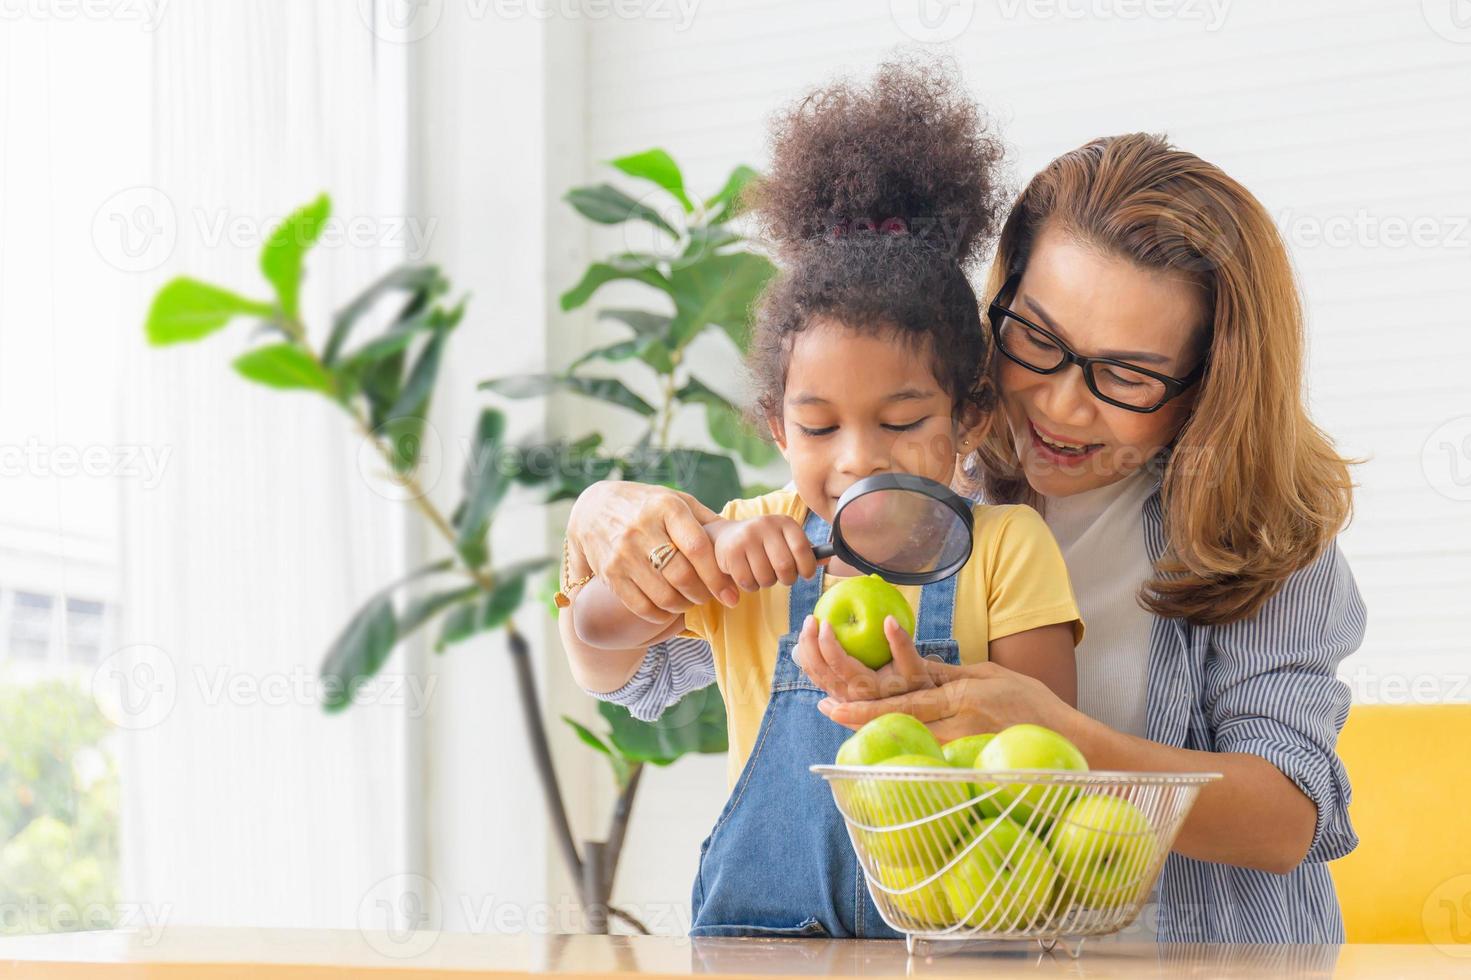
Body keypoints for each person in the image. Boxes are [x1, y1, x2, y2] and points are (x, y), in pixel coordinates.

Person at [564, 123, 1367, 943]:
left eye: (1125, 374)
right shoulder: (900, 495)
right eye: (1037, 340)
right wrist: (598, 516)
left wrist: (1055, 738)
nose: (1060, 404)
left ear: (1209, 379)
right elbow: (638, 674)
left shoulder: (1256, 536)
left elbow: (1282, 821)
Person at [557, 61, 1085, 939]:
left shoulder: (1005, 546)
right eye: (817, 426)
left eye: (902, 419)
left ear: (971, 416)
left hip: (954, 938)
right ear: (774, 427)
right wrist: (688, 571)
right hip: (756, 947)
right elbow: (596, 653)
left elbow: (1041, 765)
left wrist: (921, 701)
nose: (855, 458)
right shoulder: (746, 539)